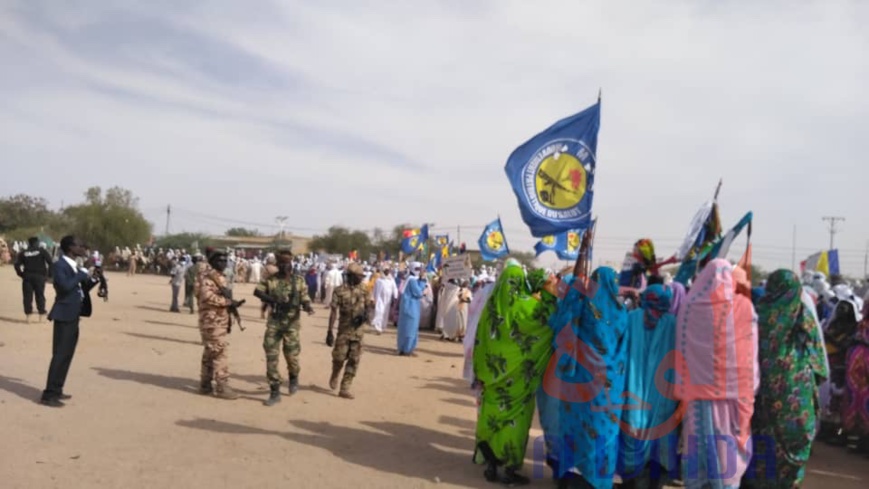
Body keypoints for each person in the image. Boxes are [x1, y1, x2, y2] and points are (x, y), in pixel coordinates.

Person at [537, 267, 629, 489]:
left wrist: (574, 293)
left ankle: (569, 477)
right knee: (603, 433)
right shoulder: (621, 313)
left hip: (579, 382)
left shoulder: (582, 306)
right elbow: (623, 351)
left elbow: (560, 328)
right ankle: (596, 480)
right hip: (609, 387)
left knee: (574, 429)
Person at [472, 261, 557, 485]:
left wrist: (480, 374)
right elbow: (549, 318)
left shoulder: (490, 309)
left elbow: (479, 341)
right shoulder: (528, 307)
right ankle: (508, 468)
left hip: (491, 380)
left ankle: (491, 464)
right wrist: (549, 292)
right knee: (515, 423)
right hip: (518, 383)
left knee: (491, 418)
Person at [675, 260, 758, 489]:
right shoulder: (742, 307)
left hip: (695, 401)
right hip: (730, 403)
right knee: (726, 463)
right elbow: (749, 360)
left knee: (697, 464)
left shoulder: (689, 307)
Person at [741, 270, 828, 488]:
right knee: (794, 438)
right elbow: (817, 355)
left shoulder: (757, 311)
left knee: (763, 436)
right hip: (796, 392)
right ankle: (789, 481)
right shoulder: (802, 313)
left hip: (763, 390)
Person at [619, 284, 680, 489]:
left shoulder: (632, 318)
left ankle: (632, 481)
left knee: (632, 433)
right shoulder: (673, 323)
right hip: (662, 395)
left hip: (633, 390)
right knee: (660, 438)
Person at [40, 236, 102, 407]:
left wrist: (95, 276)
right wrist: (82, 272)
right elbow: (65, 287)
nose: (83, 248)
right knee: (60, 355)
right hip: (64, 314)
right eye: (80, 245)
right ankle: (49, 394)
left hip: (73, 314)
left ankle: (57, 389)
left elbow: (82, 287)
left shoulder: (75, 267)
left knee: (67, 355)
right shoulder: (60, 265)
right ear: (69, 248)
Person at [254, 250, 314, 406]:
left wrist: (308, 306)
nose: (285, 266)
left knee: (292, 357)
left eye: (287, 263)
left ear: (291, 264)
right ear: (278, 265)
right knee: (271, 356)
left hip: (291, 325)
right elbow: (257, 291)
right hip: (274, 323)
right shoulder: (271, 280)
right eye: (281, 263)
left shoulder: (299, 281)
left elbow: (305, 297)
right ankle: (274, 391)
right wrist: (273, 299)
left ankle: (293, 377)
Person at [198, 249, 244, 400]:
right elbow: (207, 296)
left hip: (219, 320)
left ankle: (205, 384)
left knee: (210, 352)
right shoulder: (206, 277)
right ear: (212, 262)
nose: (223, 263)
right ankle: (222, 386)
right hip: (211, 321)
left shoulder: (219, 277)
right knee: (219, 352)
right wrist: (228, 302)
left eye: (225, 260)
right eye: (220, 260)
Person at [326, 262, 372, 399]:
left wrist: (365, 316)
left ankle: (345, 388)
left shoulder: (364, 290)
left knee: (354, 360)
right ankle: (335, 373)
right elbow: (334, 311)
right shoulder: (339, 291)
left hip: (358, 332)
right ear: (351, 276)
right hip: (344, 331)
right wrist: (329, 331)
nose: (361, 278)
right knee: (339, 358)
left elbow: (369, 306)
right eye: (359, 276)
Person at [14, 236, 53, 323]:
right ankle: (41, 315)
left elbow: (16, 265)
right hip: (40, 276)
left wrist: (21, 274)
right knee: (40, 295)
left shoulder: (23, 252)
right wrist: (49, 275)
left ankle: (28, 317)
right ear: (37, 243)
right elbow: (50, 262)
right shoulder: (42, 251)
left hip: (27, 276)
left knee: (27, 297)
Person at [397, 266, 427, 355]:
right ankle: (407, 349)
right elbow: (418, 292)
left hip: (409, 307)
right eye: (417, 269)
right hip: (411, 308)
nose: (419, 271)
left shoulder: (410, 279)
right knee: (410, 329)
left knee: (405, 328)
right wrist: (423, 282)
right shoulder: (412, 280)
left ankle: (404, 348)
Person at [371, 269, 398, 334]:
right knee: (379, 312)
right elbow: (375, 289)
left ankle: (382, 326)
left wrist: (395, 297)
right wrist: (372, 298)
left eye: (388, 271)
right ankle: (378, 327)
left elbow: (395, 289)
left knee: (385, 313)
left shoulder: (391, 280)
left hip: (388, 300)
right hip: (380, 299)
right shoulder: (379, 280)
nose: (387, 272)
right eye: (385, 270)